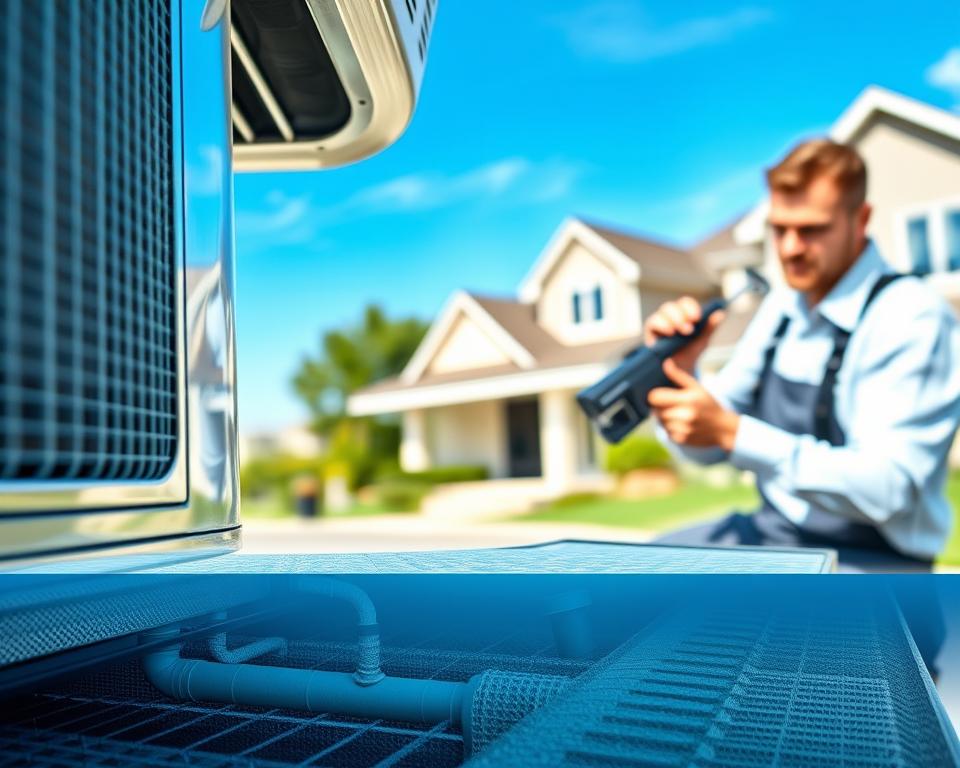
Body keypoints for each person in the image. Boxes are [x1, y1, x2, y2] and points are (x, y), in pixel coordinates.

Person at [648, 138, 960, 572]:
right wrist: (681, 375)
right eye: (779, 229)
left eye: (811, 230)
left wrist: (734, 434)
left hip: (875, 562)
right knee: (635, 576)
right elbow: (708, 446)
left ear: (861, 220)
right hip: (771, 536)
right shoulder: (781, 310)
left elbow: (886, 491)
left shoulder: (910, 316)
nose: (790, 248)